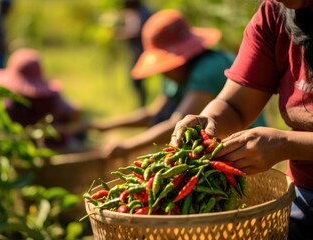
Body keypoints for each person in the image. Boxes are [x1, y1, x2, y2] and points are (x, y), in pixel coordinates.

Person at [169, 1, 313, 239]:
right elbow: (234, 105)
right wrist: (208, 121)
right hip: (305, 193)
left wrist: (288, 144)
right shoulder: (274, 14)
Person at [88, 9, 266, 159]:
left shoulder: (209, 67)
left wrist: (128, 146)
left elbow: (177, 123)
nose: (163, 72)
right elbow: (154, 113)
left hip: (242, 147)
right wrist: (103, 126)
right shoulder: (178, 74)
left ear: (182, 58)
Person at [0, 48, 88, 154]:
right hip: (53, 147)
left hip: (30, 150)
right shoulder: (51, 99)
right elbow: (74, 112)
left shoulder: (7, 105)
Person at [114, 0, 153, 107]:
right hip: (139, 52)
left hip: (142, 53)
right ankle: (142, 104)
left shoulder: (143, 13)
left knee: (137, 80)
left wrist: (121, 34)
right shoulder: (136, 11)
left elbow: (138, 32)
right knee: (136, 81)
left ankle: (143, 105)